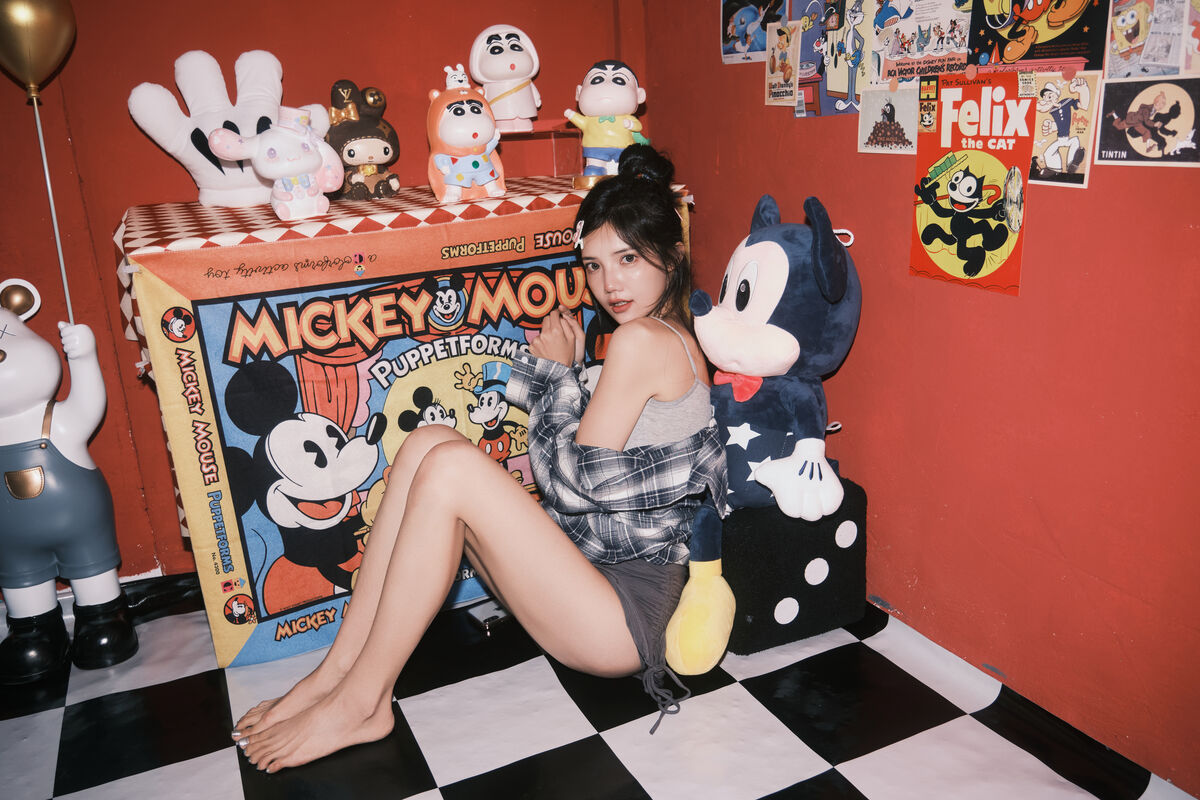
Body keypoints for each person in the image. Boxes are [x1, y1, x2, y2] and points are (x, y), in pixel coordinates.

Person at [230, 145, 728, 773]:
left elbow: (570, 485)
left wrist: (555, 373)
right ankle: (336, 674)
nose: (610, 284)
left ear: (672, 255)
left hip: (622, 616)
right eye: (595, 265)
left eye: (628, 259)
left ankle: (363, 700)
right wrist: (569, 374)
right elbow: (597, 474)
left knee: (450, 467)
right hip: (590, 576)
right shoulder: (673, 334)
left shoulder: (641, 339)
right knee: (427, 442)